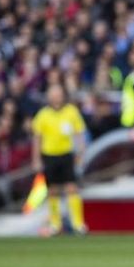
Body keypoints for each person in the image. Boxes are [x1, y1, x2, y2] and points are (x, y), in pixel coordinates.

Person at [32, 84, 88, 235]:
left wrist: (81, 153)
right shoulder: (43, 114)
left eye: (58, 93)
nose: (56, 96)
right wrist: (36, 159)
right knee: (52, 190)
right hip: (49, 155)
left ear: (63, 95)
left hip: (66, 155)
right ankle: (55, 225)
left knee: (72, 188)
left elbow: (79, 134)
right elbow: (37, 138)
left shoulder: (71, 112)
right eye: (53, 94)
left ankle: (78, 224)